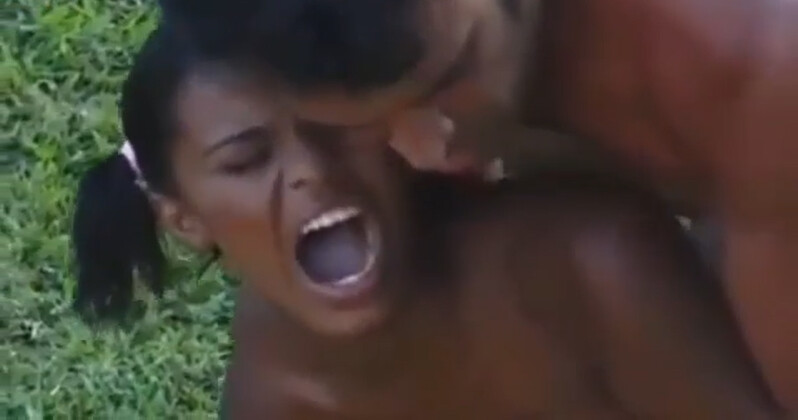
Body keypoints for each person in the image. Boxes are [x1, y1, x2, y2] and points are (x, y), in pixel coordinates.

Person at [72, 25, 778, 418]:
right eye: (248, 159)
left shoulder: (585, 261)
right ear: (185, 219)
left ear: (392, 123)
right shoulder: (276, 400)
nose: (311, 170)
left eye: (333, 128)